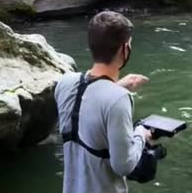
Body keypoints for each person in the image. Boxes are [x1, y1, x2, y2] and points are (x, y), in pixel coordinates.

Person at [54, 11, 151, 193]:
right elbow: (124, 166)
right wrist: (140, 135)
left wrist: (118, 85)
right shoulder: (119, 98)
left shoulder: (64, 83)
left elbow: (85, 104)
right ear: (124, 50)